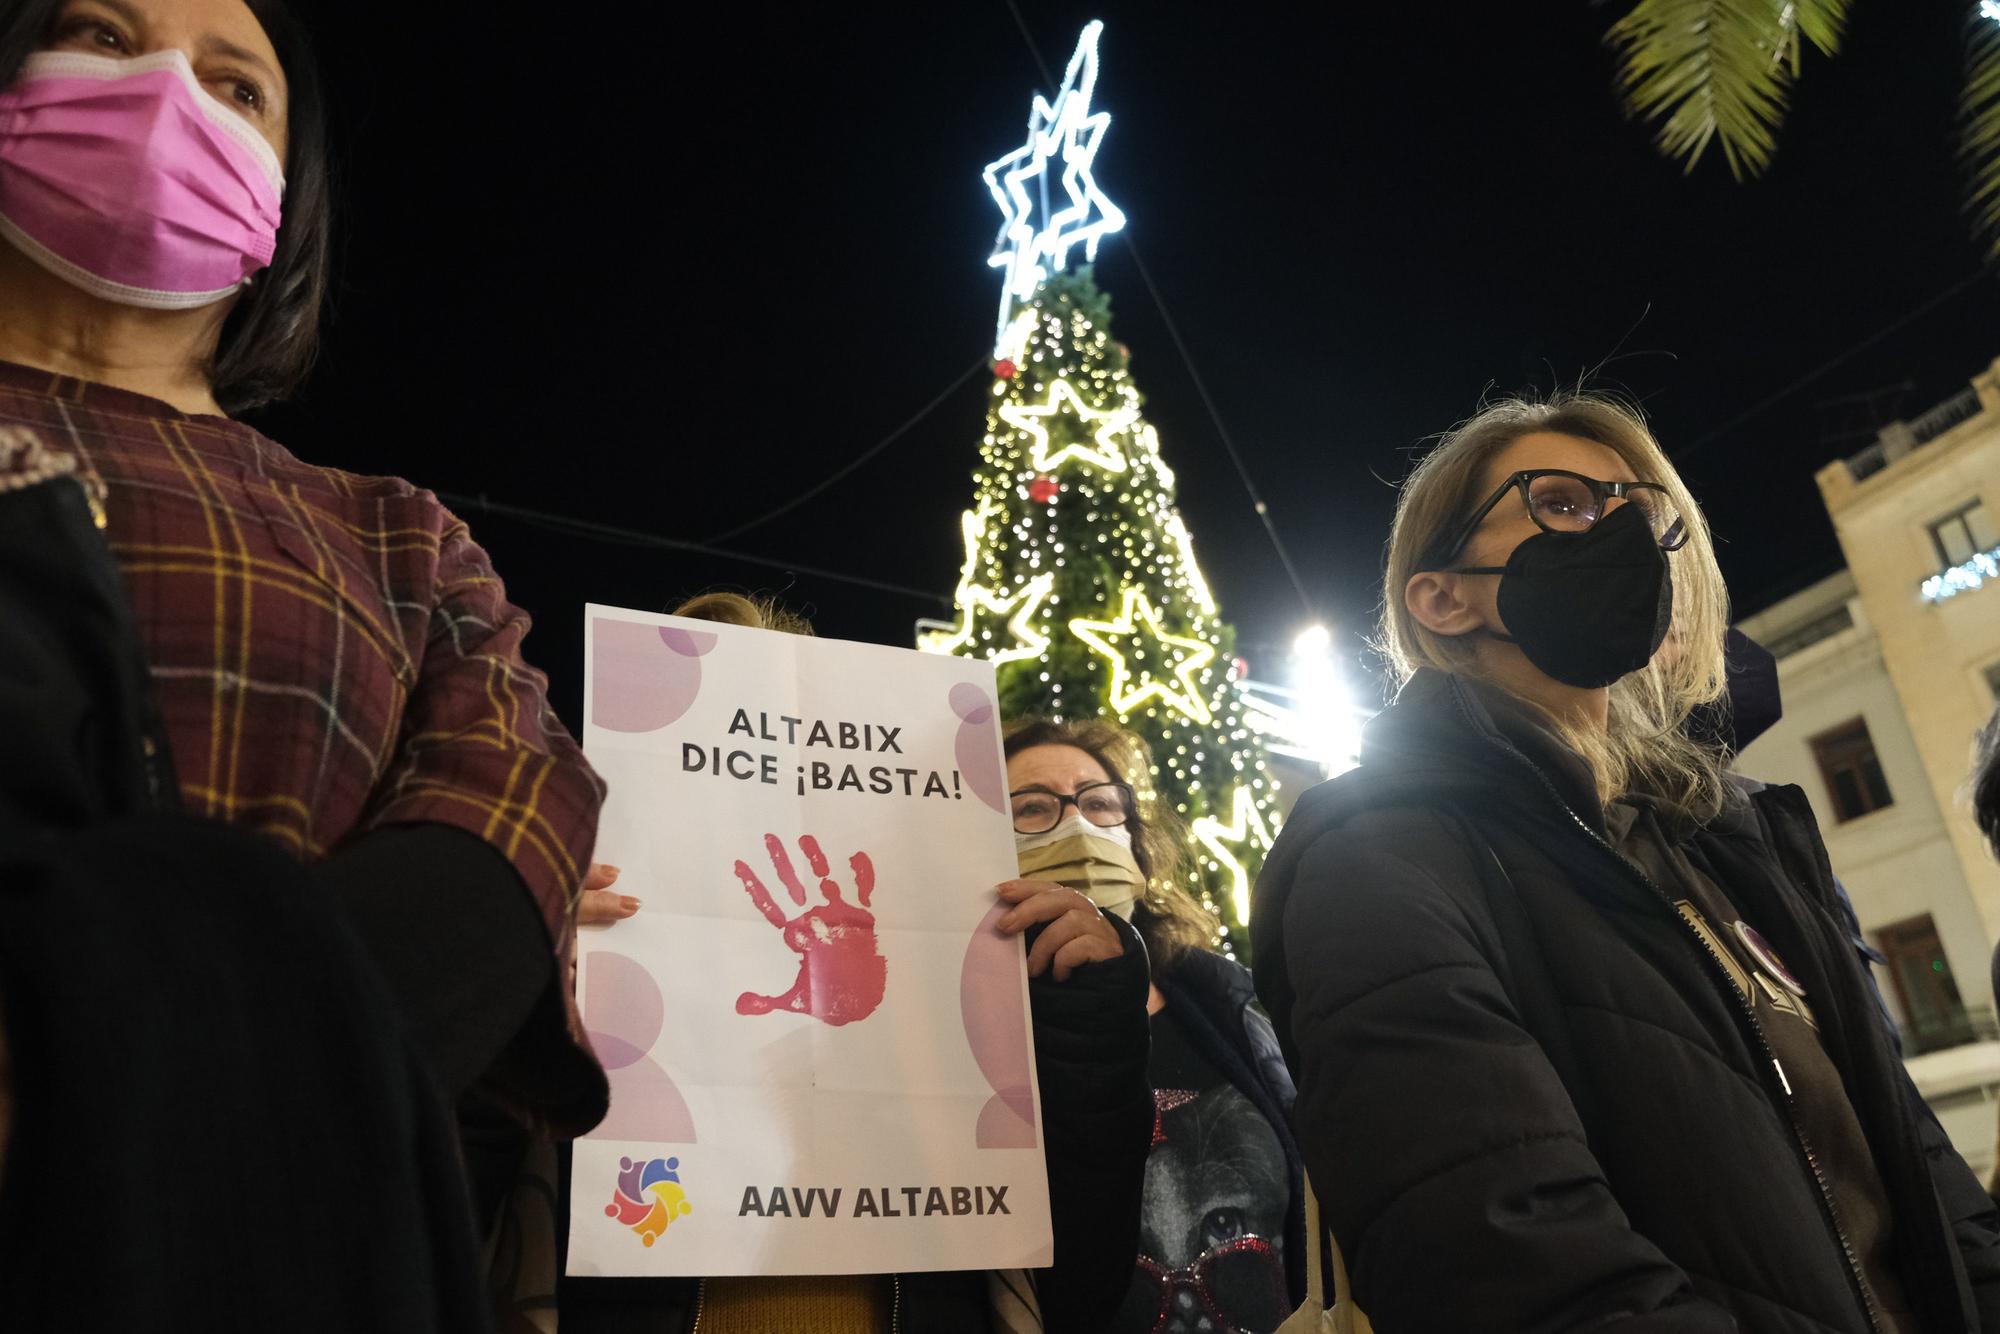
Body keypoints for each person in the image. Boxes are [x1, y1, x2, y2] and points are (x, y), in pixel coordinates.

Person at [0, 0, 606, 1239]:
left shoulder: (399, 536)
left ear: (286, 202)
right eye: (104, 37)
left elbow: (501, 832)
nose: (169, 89)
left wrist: (150, 1097)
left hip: (290, 1235)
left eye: (239, 87)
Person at [1252, 393, 2000, 1331]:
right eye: (1562, 503)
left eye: (1643, 515)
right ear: (1444, 599)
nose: (1623, 539)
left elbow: (1924, 1176)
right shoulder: (1378, 863)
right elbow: (1505, 1254)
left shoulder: (1738, 850)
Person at [557, 593, 1152, 1334]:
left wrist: (1090, 1019)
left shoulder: (972, 982)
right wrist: (526, 988)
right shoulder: (573, 952)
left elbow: (1081, 1285)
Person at [1004, 716, 1305, 1334]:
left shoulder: (1225, 1002)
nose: (1078, 824)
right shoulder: (968, 1023)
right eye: (1033, 807)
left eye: (1100, 803)